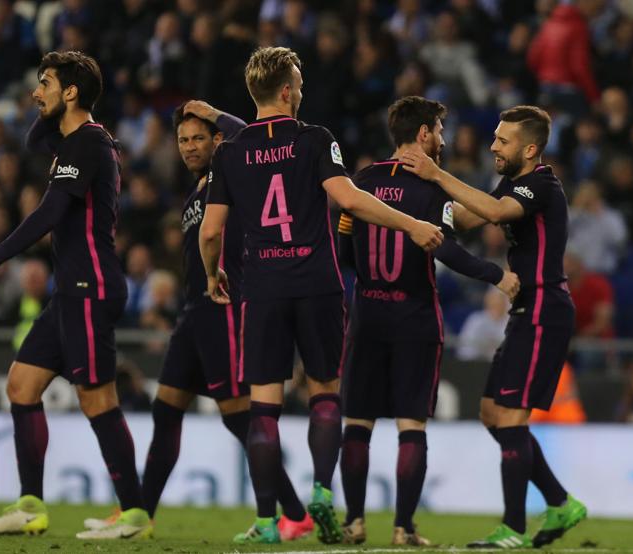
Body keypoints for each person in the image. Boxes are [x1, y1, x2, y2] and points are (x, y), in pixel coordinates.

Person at [199, 46, 443, 545]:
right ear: (288, 90)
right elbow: (350, 199)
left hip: (262, 287)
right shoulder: (315, 139)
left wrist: (211, 274)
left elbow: (209, 231)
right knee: (325, 393)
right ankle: (322, 493)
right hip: (316, 284)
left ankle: (266, 522)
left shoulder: (229, 152)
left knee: (263, 406)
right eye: (300, 82)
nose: (303, 89)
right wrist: (413, 224)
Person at [83, 100, 314, 541]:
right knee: (166, 409)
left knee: (239, 416)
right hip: (194, 313)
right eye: (183, 140)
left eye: (198, 138)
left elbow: (248, 136)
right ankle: (140, 514)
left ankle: (294, 512)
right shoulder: (197, 190)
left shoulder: (237, 173)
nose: (189, 147)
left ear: (218, 141)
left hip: (224, 305)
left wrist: (212, 111)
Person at [0, 51, 151, 540]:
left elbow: (48, 214)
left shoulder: (88, 143)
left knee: (97, 399)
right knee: (21, 386)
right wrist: (50, 105)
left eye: (44, 83)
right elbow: (34, 139)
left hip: (91, 286)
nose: (34, 93)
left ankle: (135, 513)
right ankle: (30, 506)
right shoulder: (73, 142)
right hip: (70, 291)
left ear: (71, 92)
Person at [337, 96, 519, 547]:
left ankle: (354, 522)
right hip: (414, 316)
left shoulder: (361, 182)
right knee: (411, 426)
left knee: (357, 423)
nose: (443, 139)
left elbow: (343, 252)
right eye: (438, 130)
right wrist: (496, 275)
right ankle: (403, 528)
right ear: (422, 134)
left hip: (367, 314)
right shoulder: (431, 188)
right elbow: (447, 249)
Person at [403, 105, 587, 549]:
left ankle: (514, 528)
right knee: (492, 412)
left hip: (544, 308)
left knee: (510, 416)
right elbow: (467, 218)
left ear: (530, 149)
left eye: (503, 141)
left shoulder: (540, 184)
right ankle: (560, 503)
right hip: (525, 310)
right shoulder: (513, 184)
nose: (493, 146)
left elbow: (496, 210)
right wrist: (409, 210)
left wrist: (436, 174)